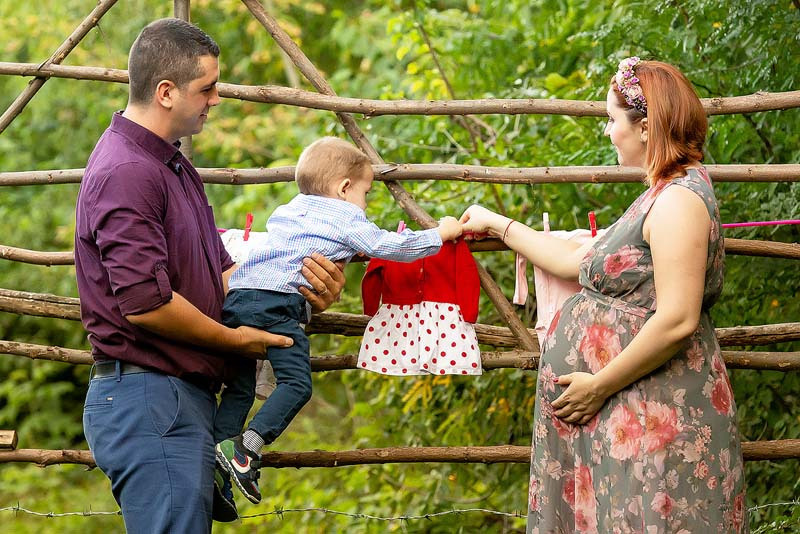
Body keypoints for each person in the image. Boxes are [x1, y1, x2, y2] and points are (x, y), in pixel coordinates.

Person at [74, 19, 344, 533]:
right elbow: (145, 303)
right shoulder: (128, 171)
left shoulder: (173, 167)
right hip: (150, 397)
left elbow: (221, 276)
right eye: (207, 88)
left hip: (173, 397)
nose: (217, 98)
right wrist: (234, 340)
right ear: (167, 92)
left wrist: (301, 290)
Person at [460, 57, 747, 532]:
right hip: (627, 409)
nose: (609, 132)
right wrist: (498, 224)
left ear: (646, 125)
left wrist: (598, 385)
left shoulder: (679, 202)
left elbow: (677, 319)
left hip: (656, 413)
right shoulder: (660, 194)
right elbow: (577, 262)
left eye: (613, 119)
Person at [213, 136, 463, 504]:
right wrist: (442, 233)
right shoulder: (345, 216)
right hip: (276, 305)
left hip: (237, 300)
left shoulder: (288, 210)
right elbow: (389, 246)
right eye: (365, 193)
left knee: (239, 385)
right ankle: (248, 450)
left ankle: (217, 454)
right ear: (344, 188)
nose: (364, 204)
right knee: (296, 384)